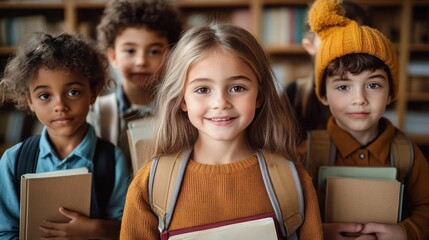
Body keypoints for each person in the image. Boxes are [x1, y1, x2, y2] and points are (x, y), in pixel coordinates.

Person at [120, 23, 323, 239]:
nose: (221, 103)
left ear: (259, 95)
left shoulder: (294, 181)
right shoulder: (149, 185)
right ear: (181, 99)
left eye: (237, 88)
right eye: (203, 89)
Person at [305, 0, 429, 239]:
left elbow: (426, 207)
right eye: (343, 87)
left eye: (373, 85)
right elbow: (290, 213)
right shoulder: (306, 153)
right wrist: (317, 232)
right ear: (323, 95)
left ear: (391, 93)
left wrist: (406, 231)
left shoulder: (409, 154)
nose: (359, 99)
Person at [0, 33, 130, 239]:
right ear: (30, 101)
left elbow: (128, 228)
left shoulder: (112, 160)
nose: (60, 106)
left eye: (73, 92)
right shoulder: (13, 161)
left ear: (93, 92)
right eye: (45, 96)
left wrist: (97, 230)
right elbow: (5, 232)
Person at [87, 0, 183, 169]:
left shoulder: (181, 110)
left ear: (168, 55)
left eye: (154, 51)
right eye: (130, 51)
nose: (141, 61)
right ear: (113, 56)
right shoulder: (96, 115)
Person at [282, 0, 370, 142]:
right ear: (309, 46)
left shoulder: (370, 94)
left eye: (356, 38)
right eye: (332, 38)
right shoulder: (295, 95)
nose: (344, 47)